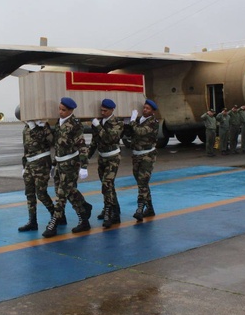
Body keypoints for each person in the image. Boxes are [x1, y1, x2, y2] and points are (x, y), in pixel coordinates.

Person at [42, 97, 93, 238]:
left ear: (71, 110)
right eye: (59, 109)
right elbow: (57, 145)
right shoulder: (59, 123)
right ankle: (84, 213)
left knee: (61, 194)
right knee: (70, 192)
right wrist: (53, 164)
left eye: (63, 110)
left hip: (70, 164)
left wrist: (84, 166)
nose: (60, 112)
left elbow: (82, 146)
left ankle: (53, 223)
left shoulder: (75, 124)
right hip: (60, 163)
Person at [88, 98, 124, 228]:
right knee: (107, 186)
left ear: (112, 110)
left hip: (113, 157)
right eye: (101, 110)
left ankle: (110, 213)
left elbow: (109, 139)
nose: (102, 113)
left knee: (107, 184)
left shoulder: (117, 123)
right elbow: (94, 142)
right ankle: (114, 209)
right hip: (102, 158)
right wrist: (85, 158)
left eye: (105, 111)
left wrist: (98, 125)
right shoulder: (99, 122)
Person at [18, 119, 56, 232]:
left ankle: (56, 216)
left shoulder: (43, 126)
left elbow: (51, 142)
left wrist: (37, 127)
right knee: (29, 193)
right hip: (30, 163)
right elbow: (26, 147)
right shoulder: (26, 127)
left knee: (41, 193)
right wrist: (24, 165)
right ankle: (32, 221)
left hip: (41, 162)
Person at [129, 99, 160, 221]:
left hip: (147, 156)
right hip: (136, 155)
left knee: (142, 182)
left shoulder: (153, 122)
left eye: (147, 108)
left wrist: (132, 121)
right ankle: (150, 208)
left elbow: (140, 132)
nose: (144, 110)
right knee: (142, 183)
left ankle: (140, 209)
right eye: (144, 107)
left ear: (152, 111)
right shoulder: (140, 120)